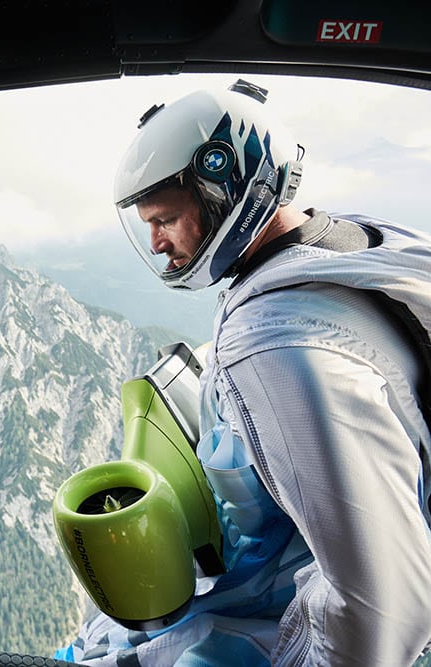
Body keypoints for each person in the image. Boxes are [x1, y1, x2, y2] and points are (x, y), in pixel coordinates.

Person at [57, 79, 431, 665]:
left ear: (223, 189)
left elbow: (385, 610)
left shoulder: (275, 352)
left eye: (166, 219)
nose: (156, 243)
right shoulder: (344, 245)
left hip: (275, 623)